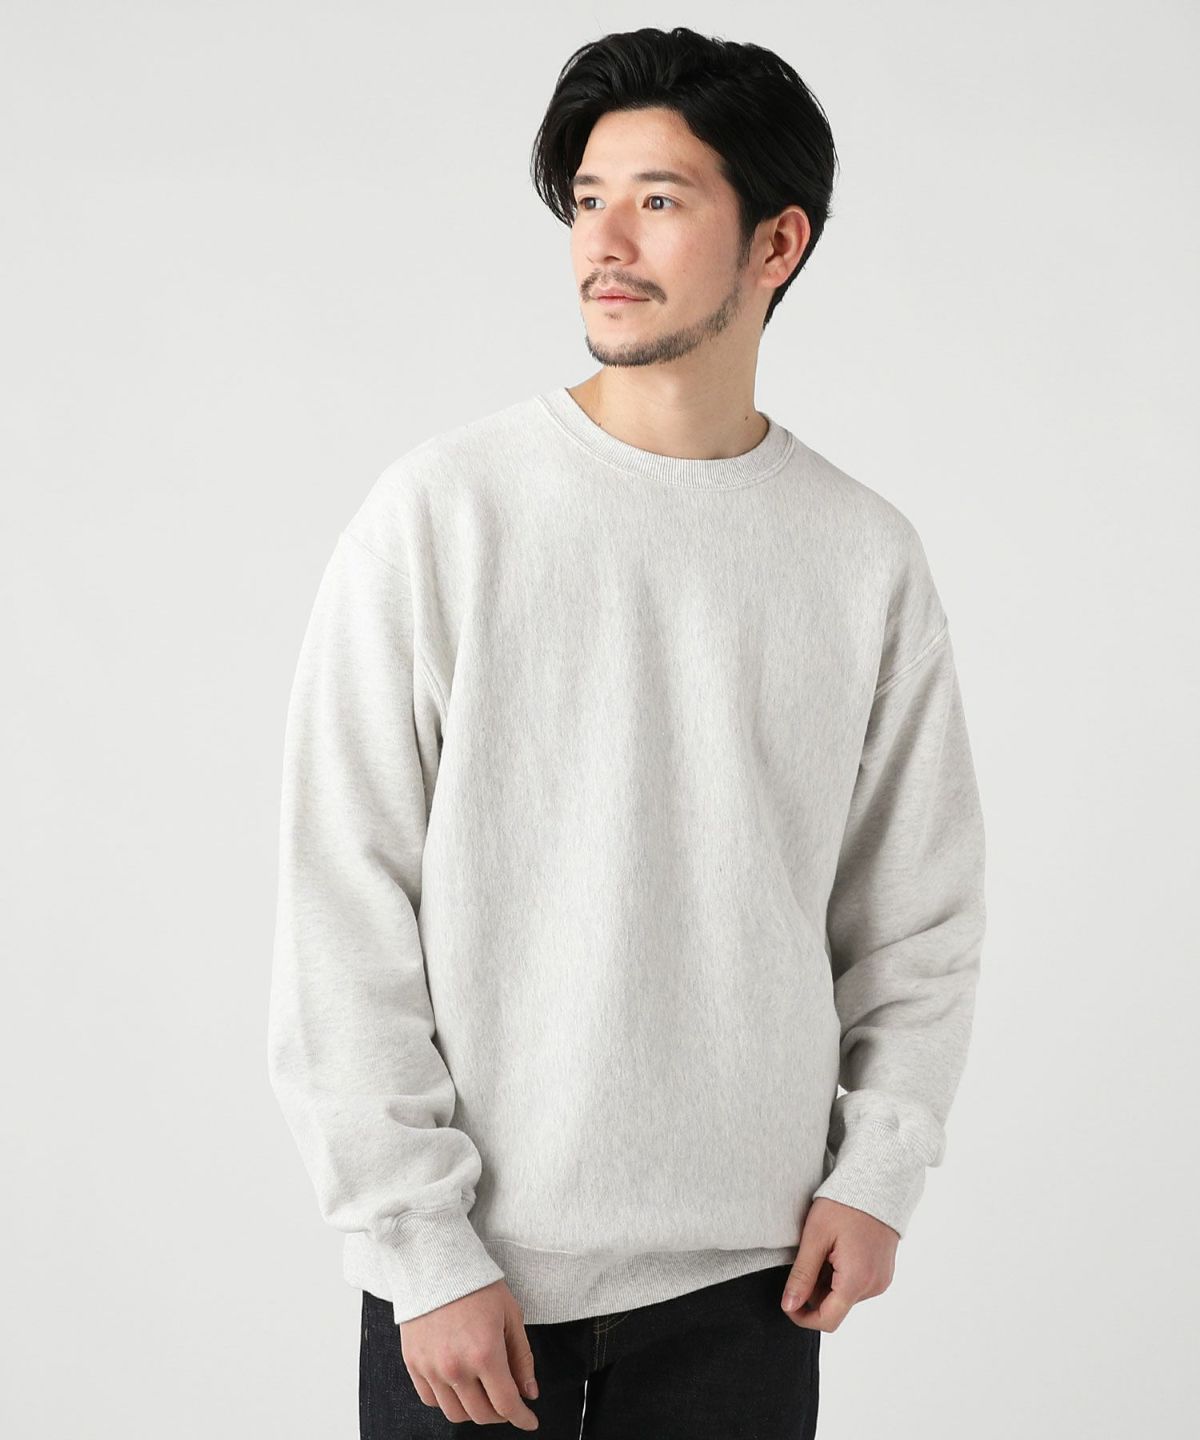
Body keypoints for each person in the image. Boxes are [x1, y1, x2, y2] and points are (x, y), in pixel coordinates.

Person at [267, 24, 987, 1439]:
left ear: (776, 243)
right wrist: (419, 1244)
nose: (604, 240)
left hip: (747, 1292)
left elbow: (919, 914)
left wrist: (878, 1174)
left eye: (659, 199)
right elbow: (340, 901)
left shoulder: (862, 556)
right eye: (588, 198)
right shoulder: (444, 515)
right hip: (469, 1290)